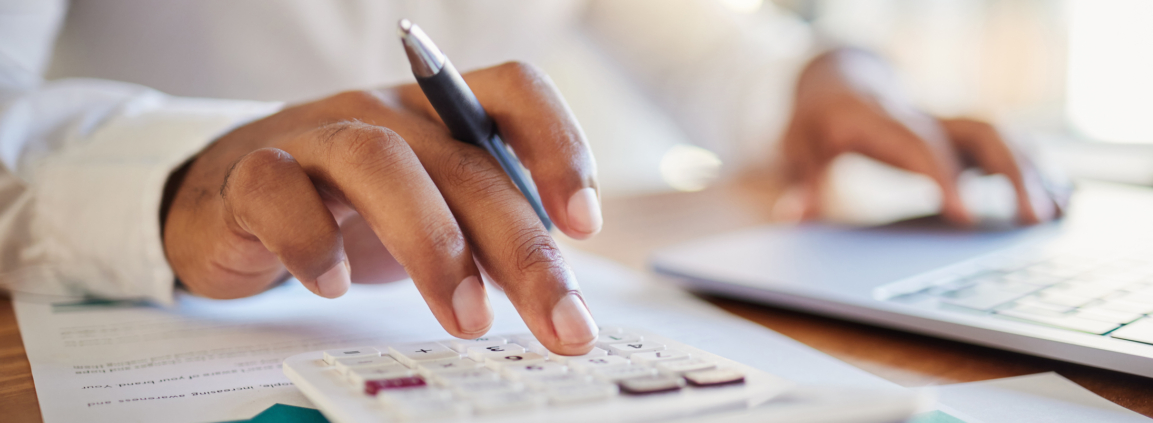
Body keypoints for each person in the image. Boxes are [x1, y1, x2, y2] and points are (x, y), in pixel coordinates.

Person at [0, 0, 1061, 355]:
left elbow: (707, 49)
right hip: (184, 309)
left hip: (607, 291)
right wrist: (171, 182)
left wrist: (830, 74)